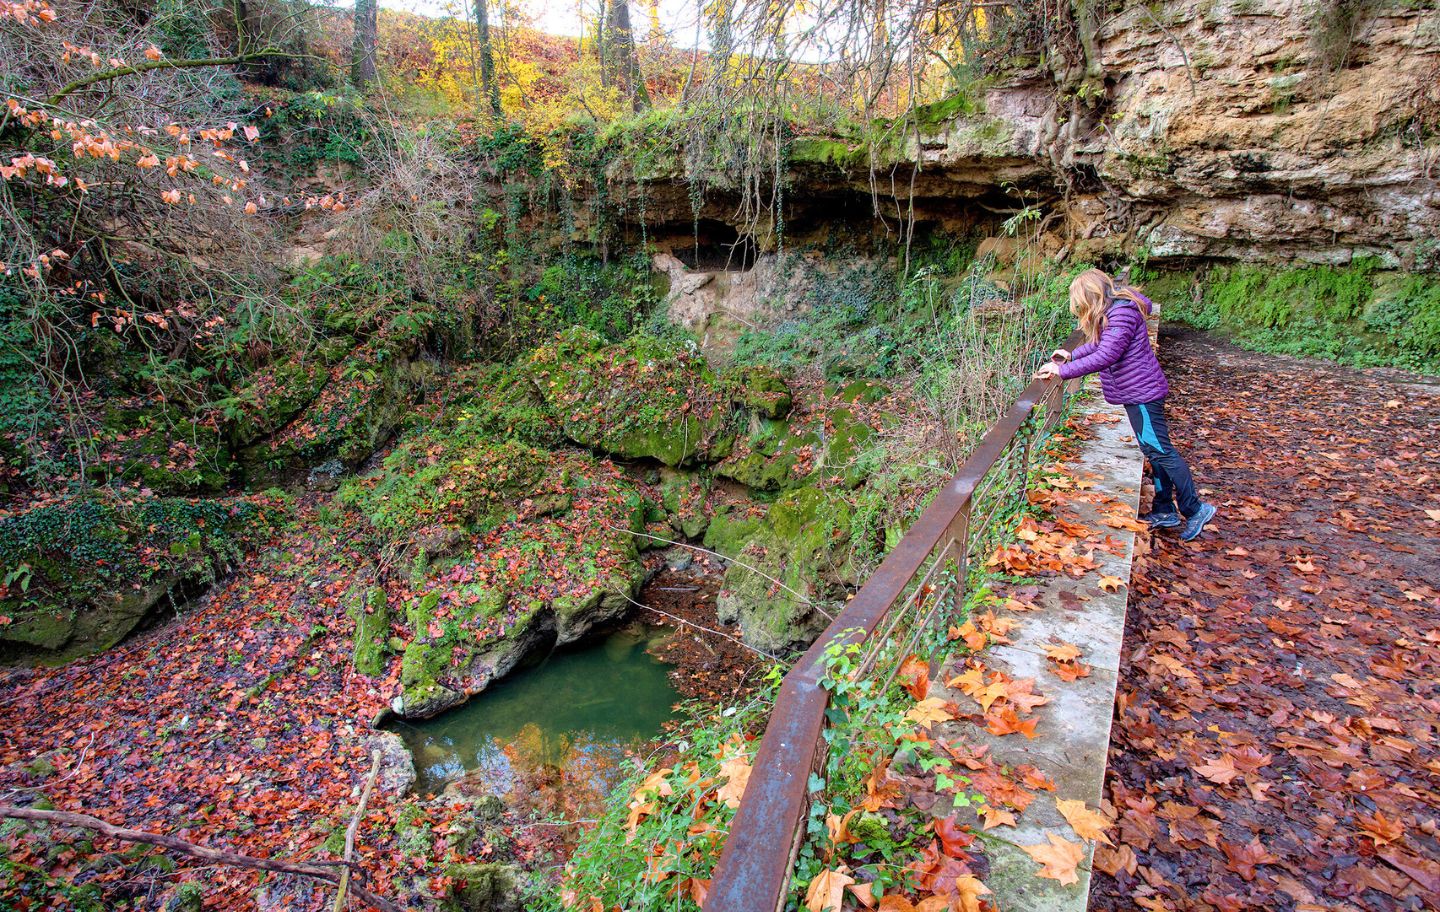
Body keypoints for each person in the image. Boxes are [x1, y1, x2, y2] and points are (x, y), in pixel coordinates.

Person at [1034, 268, 1218, 542]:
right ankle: (1164, 509)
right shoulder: (1114, 312)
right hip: (1137, 392)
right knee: (1153, 451)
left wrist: (1063, 371)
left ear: (1091, 296)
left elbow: (1106, 355)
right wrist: (1070, 355)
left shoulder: (1121, 313)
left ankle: (1195, 509)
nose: (1079, 308)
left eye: (1080, 302)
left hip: (1142, 394)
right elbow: (1099, 344)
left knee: (1161, 451)